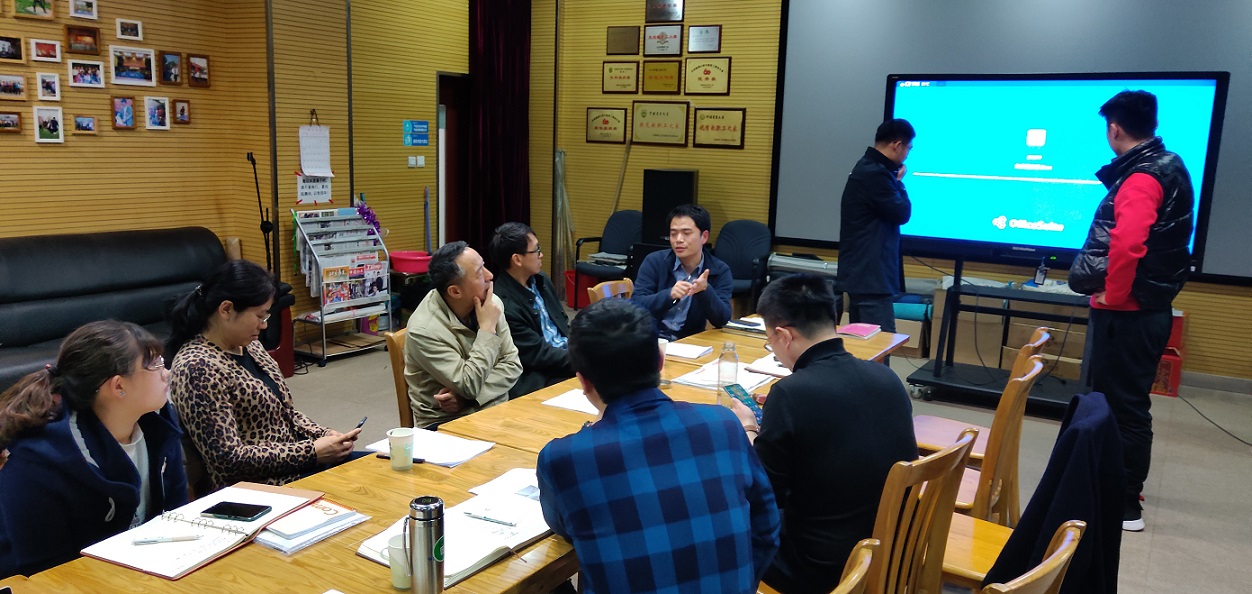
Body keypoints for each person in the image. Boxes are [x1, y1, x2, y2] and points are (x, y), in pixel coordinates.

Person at [537, 299, 780, 594]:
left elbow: (562, 526)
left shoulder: (563, 458)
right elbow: (767, 528)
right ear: (660, 361)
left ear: (583, 381)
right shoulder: (724, 424)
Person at [730, 274, 917, 594]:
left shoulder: (790, 394)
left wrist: (748, 427)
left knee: (723, 519)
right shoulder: (886, 377)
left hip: (821, 567)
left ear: (783, 335)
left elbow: (763, 494)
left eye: (769, 342)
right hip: (892, 548)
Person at [1068, 90, 1194, 533]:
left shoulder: (1141, 177)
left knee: (1124, 408)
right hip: (1148, 307)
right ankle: (1112, 488)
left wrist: (1115, 296)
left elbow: (1128, 245)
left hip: (1130, 312)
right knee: (1125, 403)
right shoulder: (1169, 164)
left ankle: (1125, 504)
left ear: (1114, 128)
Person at [0, 321, 188, 577]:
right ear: (118, 386)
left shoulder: (159, 423)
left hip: (138, 571)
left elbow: (177, 514)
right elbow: (46, 573)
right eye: (155, 365)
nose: (166, 373)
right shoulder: (37, 461)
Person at [167, 260, 361, 491]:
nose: (264, 326)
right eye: (260, 316)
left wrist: (325, 435)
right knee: (365, 488)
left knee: (377, 467)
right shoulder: (197, 368)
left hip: (296, 465)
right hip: (261, 487)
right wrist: (312, 452)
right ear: (226, 309)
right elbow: (228, 461)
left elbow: (285, 413)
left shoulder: (249, 345)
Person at [404, 241, 522, 427]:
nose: (490, 276)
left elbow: (513, 364)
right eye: (479, 274)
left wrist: (468, 399)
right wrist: (487, 330)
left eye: (484, 266)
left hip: (495, 408)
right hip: (446, 422)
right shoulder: (424, 330)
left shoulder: (489, 303)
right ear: (455, 291)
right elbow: (468, 385)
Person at [836, 118, 915, 333]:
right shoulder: (876, 174)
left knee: (865, 341)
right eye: (909, 148)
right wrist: (899, 183)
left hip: (864, 274)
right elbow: (902, 213)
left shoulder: (867, 167)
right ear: (897, 145)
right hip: (871, 277)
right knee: (881, 342)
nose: (907, 154)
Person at [488, 222, 574, 398]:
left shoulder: (541, 280)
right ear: (517, 259)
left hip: (567, 355)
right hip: (543, 375)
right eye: (536, 250)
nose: (541, 255)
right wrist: (586, 361)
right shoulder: (504, 305)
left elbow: (563, 325)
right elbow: (538, 355)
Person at [631, 204, 734, 340]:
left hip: (690, 341)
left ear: (704, 237)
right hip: (651, 338)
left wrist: (705, 291)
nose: (678, 239)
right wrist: (669, 295)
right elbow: (636, 304)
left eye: (686, 233)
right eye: (673, 234)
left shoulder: (719, 270)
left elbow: (722, 319)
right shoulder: (654, 262)